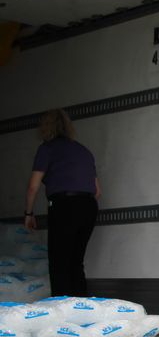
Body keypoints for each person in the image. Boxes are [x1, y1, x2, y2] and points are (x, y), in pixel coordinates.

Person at [24, 109, 100, 297]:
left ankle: (61, 315)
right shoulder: (84, 150)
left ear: (46, 127)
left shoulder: (47, 148)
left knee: (59, 262)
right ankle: (82, 309)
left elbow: (33, 187)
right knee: (76, 262)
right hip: (88, 206)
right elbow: (97, 190)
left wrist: (28, 213)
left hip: (64, 205)